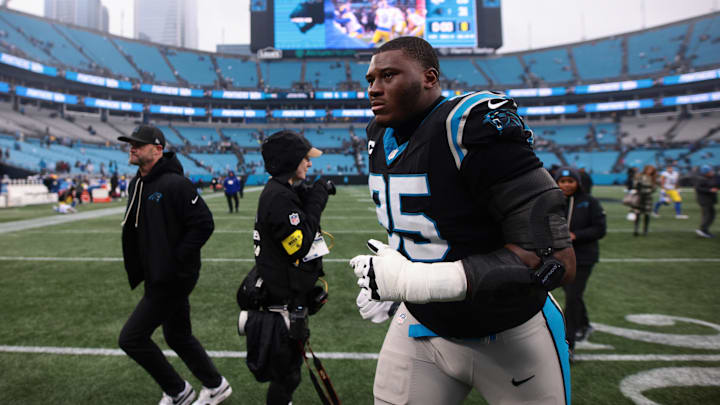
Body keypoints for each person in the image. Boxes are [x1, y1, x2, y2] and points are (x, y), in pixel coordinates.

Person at [350, 37, 575, 405]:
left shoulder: (467, 126)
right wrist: (398, 273)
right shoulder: (378, 134)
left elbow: (553, 260)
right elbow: (437, 223)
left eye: (388, 75)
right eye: (370, 79)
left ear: (429, 77)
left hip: (510, 332)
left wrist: (415, 280)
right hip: (423, 325)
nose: (374, 88)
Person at [117, 125, 232, 405]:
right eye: (130, 143)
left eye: (139, 144)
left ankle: (178, 391)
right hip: (157, 274)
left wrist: (175, 259)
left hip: (172, 277)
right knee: (178, 336)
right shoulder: (137, 183)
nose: (132, 147)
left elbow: (203, 223)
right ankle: (216, 386)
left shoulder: (174, 184)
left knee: (131, 338)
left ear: (157, 149)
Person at [242, 130, 334, 405]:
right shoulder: (279, 197)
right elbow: (300, 246)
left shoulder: (280, 192)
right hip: (280, 304)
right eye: (306, 158)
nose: (310, 163)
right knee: (287, 376)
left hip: (285, 297)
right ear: (291, 160)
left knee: (289, 374)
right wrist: (317, 199)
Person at [555, 167, 606, 360]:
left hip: (583, 257)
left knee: (573, 297)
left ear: (578, 182)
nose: (566, 185)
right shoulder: (552, 201)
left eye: (570, 181)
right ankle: (584, 324)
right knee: (572, 294)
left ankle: (568, 345)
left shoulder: (590, 202)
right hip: (559, 257)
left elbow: (600, 229)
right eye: (563, 181)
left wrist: (576, 235)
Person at [632, 165, 658, 236]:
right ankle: (636, 229)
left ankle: (645, 230)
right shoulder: (640, 176)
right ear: (645, 169)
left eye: (651, 170)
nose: (649, 171)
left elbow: (655, 188)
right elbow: (635, 184)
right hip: (640, 196)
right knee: (637, 213)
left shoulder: (653, 178)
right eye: (648, 169)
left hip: (648, 197)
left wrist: (649, 189)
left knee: (647, 214)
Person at [694, 165, 718, 238]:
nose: (712, 172)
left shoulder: (709, 177)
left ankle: (704, 229)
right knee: (709, 215)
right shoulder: (701, 179)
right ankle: (703, 230)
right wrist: (709, 190)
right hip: (705, 200)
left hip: (709, 199)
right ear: (706, 172)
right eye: (710, 171)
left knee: (709, 215)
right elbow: (698, 188)